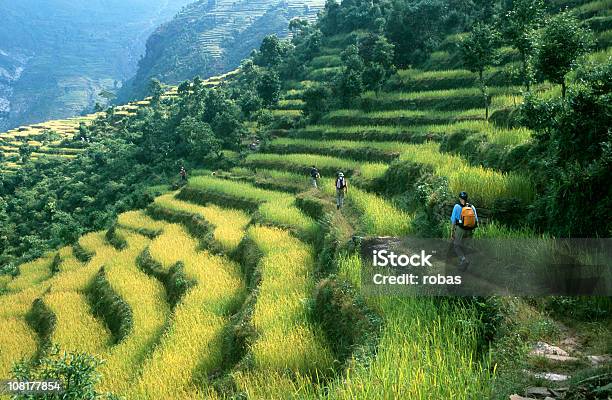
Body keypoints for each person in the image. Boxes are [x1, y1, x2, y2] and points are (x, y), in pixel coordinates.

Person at [450, 191, 478, 270]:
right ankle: (463, 265)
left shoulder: (457, 206)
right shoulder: (472, 207)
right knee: (465, 246)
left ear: (459, 198)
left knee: (456, 245)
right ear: (466, 198)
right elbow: (476, 220)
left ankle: (463, 260)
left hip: (460, 229)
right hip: (470, 230)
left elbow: (453, 221)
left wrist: (452, 232)